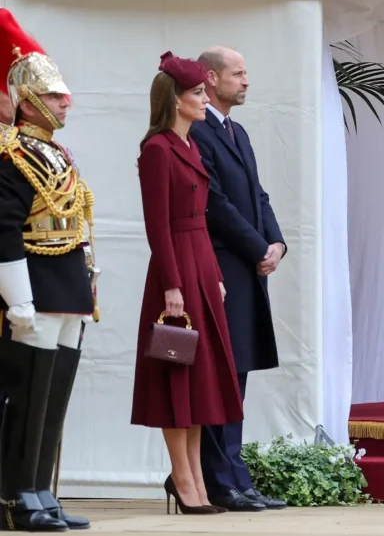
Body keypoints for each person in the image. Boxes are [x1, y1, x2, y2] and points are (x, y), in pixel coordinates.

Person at [132, 52, 244, 515]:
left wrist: (214, 275)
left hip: (201, 264)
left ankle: (196, 478)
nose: (204, 98)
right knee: (177, 376)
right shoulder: (158, 149)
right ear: (175, 100)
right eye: (197, 93)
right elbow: (158, 226)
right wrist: (173, 285)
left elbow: (204, 221)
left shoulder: (191, 146)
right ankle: (183, 477)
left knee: (199, 380)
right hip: (176, 269)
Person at [0, 9, 96, 531]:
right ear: (30, 102)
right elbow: (4, 230)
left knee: (54, 395)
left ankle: (41, 488)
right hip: (33, 283)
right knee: (28, 397)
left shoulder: (56, 153)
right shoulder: (9, 154)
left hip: (68, 286)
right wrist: (17, 299)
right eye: (57, 95)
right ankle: (18, 495)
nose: (67, 101)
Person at [189, 47, 287, 511]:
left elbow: (256, 193)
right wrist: (255, 247)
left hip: (248, 264)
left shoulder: (237, 130)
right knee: (219, 371)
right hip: (223, 263)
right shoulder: (198, 130)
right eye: (238, 73)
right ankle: (217, 478)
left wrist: (276, 242)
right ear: (210, 78)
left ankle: (234, 475)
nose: (246, 81)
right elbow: (216, 204)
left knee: (238, 369)